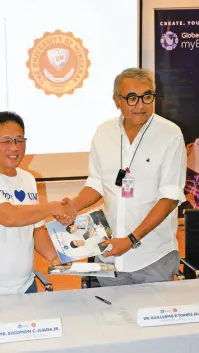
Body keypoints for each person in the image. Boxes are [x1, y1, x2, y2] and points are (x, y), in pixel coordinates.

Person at [59, 68, 187, 286]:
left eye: (147, 96)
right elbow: (97, 183)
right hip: (110, 253)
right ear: (117, 100)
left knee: (154, 317)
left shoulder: (170, 134)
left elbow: (170, 198)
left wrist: (132, 239)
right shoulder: (104, 132)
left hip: (153, 257)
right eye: (132, 98)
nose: (141, 105)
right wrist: (74, 205)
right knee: (112, 318)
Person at [0, 111, 75, 298]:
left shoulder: (28, 179)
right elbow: (9, 216)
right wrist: (55, 207)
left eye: (19, 140)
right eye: (5, 141)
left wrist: (55, 257)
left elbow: (36, 230)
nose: (14, 147)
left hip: (25, 287)